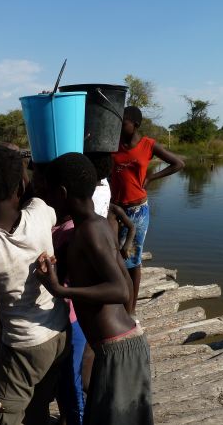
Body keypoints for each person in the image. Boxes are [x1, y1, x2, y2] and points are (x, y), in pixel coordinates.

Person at [36, 152, 153, 425]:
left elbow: (120, 290)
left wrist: (61, 290)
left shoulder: (90, 230)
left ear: (62, 193)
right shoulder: (94, 225)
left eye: (47, 190)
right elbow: (120, 275)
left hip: (118, 347)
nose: (44, 196)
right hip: (116, 344)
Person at [0, 146, 69, 425]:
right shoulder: (42, 211)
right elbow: (30, 195)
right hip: (58, 332)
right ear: (22, 184)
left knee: (4, 416)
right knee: (39, 405)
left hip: (23, 347)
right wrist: (23, 175)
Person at [110, 106, 184, 314]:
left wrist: (151, 177)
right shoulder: (113, 145)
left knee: (132, 260)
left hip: (137, 211)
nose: (119, 126)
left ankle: (131, 309)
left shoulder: (148, 145)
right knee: (115, 255)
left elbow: (178, 163)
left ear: (135, 125)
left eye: (123, 122)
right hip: (115, 209)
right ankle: (119, 300)